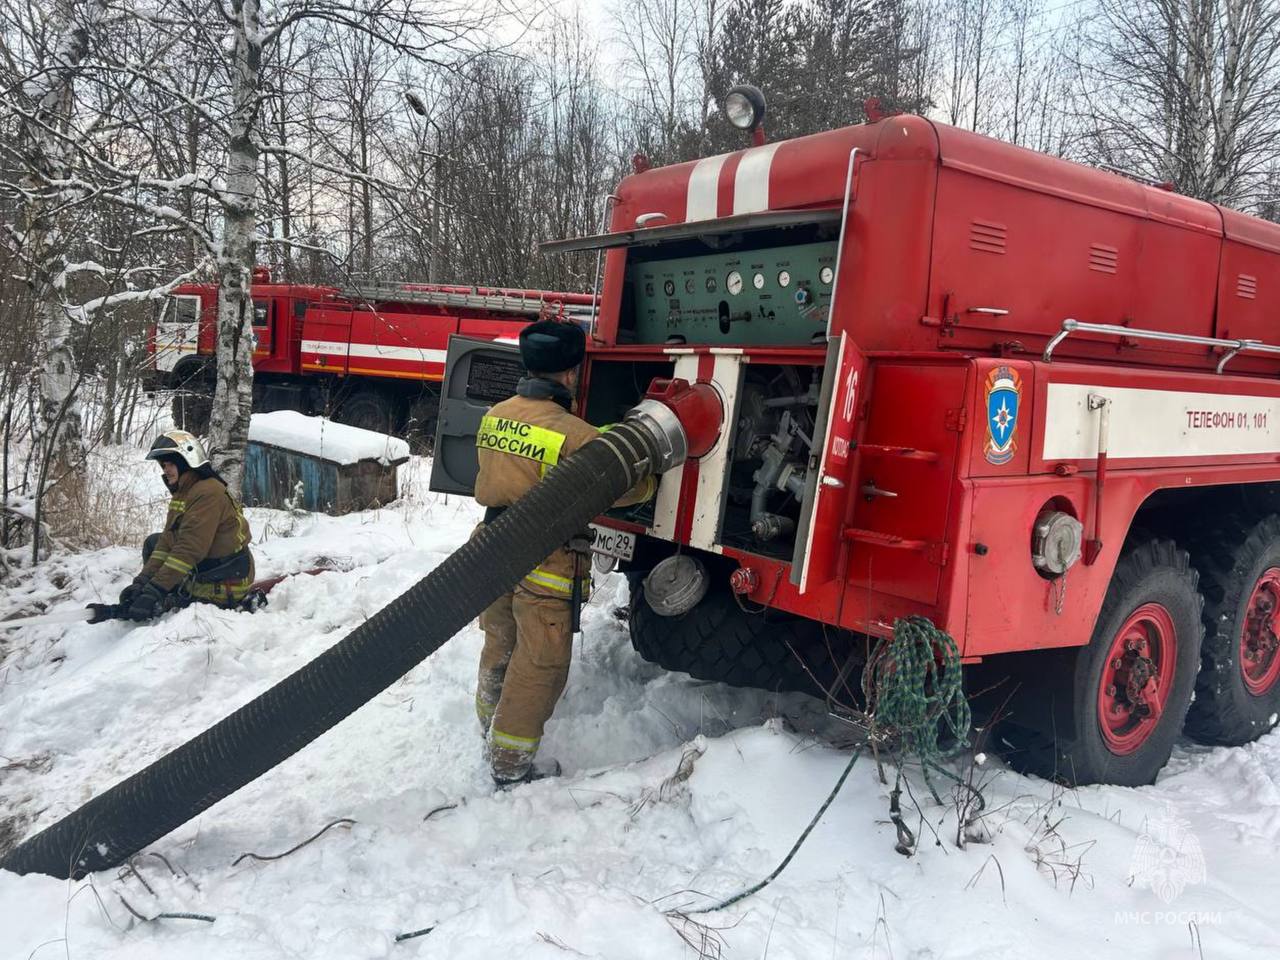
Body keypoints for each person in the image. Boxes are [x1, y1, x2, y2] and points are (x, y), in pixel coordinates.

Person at [474, 319, 656, 787]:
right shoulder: (576, 436)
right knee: (540, 662)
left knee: (499, 641)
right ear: (572, 374)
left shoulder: (495, 414)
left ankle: (489, 728)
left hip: (491, 545)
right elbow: (630, 487)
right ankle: (510, 765)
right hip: (545, 558)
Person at [118, 430, 255, 620]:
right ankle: (169, 591)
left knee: (175, 565)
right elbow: (167, 541)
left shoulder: (207, 492)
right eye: (163, 465)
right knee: (154, 542)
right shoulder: (185, 491)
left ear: (187, 461)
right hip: (207, 565)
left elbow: (189, 549)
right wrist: (142, 583)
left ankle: (177, 599)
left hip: (225, 580)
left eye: (171, 464)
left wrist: (155, 590)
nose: (165, 470)